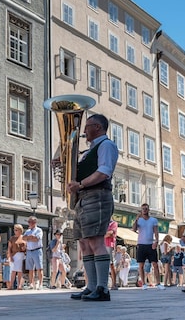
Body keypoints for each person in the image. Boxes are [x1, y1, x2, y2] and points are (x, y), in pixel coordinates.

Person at [66, 114, 118, 302]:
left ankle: (103, 288)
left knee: (96, 242)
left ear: (97, 127)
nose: (84, 131)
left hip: (97, 196)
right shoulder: (89, 150)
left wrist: (79, 184)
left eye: (87, 126)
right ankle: (92, 286)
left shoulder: (106, 145)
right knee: (84, 243)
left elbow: (104, 172)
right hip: (84, 198)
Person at [132, 203, 165, 291]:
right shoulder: (139, 220)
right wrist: (136, 219)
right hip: (141, 244)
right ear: (141, 210)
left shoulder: (153, 220)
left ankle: (158, 283)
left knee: (155, 264)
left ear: (148, 210)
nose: (144, 210)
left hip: (150, 244)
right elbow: (134, 229)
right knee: (141, 265)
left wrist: (156, 241)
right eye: (143, 209)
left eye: (146, 209)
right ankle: (144, 283)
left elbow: (156, 231)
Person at [23, 216, 44, 290]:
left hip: (37, 250)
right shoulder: (28, 231)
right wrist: (30, 237)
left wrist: (29, 238)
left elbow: (37, 239)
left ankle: (40, 284)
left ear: (34, 222)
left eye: (30, 222)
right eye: (28, 222)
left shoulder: (39, 230)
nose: (29, 223)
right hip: (29, 251)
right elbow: (23, 238)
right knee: (30, 269)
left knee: (39, 268)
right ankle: (31, 284)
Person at [7, 224, 26, 290]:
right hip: (14, 255)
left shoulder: (23, 238)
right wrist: (10, 256)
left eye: (16, 230)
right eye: (14, 230)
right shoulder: (12, 238)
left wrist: (24, 248)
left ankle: (19, 285)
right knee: (13, 271)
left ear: (20, 230)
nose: (15, 231)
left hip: (21, 255)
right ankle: (11, 285)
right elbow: (9, 248)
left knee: (20, 271)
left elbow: (26, 247)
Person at [104, 218, 118, 290]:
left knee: (111, 264)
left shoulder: (113, 223)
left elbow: (110, 233)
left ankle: (114, 284)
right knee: (102, 264)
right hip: (102, 245)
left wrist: (101, 235)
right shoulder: (102, 222)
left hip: (109, 245)